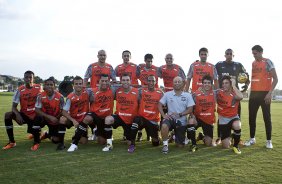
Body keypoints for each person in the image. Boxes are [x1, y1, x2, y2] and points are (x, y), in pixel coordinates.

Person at [244, 45, 278, 149]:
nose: (254, 55)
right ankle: (252, 139)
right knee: (251, 117)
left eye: (255, 53)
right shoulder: (253, 63)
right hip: (254, 94)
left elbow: (275, 79)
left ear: (261, 52)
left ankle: (269, 141)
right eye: (253, 53)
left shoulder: (268, 62)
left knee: (267, 118)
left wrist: (269, 93)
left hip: (265, 94)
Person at [215, 49, 250, 144]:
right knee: (221, 115)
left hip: (234, 95)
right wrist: (217, 89)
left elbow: (246, 76)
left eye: (231, 54)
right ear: (224, 55)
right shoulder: (219, 64)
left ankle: (236, 137)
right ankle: (220, 137)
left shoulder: (238, 65)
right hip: (222, 94)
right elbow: (213, 75)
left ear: (233, 55)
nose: (229, 55)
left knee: (237, 116)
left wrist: (246, 86)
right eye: (227, 54)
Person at [3, 70, 42, 150]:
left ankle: (37, 141)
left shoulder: (39, 88)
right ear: (24, 78)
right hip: (25, 115)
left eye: (30, 77)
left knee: (36, 130)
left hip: (36, 115)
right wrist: (18, 115)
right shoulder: (20, 90)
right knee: (8, 115)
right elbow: (14, 107)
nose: (28, 79)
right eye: (26, 77)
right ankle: (12, 142)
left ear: (33, 79)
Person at [103, 73, 140, 152]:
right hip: (120, 117)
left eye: (127, 80)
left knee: (129, 142)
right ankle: (109, 145)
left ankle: (131, 141)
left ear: (130, 81)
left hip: (131, 120)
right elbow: (105, 88)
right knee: (108, 119)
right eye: (123, 80)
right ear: (120, 81)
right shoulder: (117, 91)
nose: (125, 82)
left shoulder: (137, 92)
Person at [158, 76, 195, 154]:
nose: (177, 83)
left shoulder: (187, 95)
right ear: (173, 84)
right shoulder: (167, 94)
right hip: (170, 119)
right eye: (175, 82)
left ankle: (175, 136)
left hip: (182, 121)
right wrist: (164, 115)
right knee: (164, 125)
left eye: (179, 82)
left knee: (180, 146)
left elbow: (190, 109)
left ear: (182, 84)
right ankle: (165, 145)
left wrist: (180, 114)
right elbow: (159, 104)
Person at [128, 75, 163, 153]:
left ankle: (158, 137)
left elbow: (165, 104)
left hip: (153, 120)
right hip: (142, 118)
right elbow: (130, 90)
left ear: (155, 82)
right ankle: (132, 144)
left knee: (156, 143)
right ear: (146, 82)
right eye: (149, 81)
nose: (151, 83)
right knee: (136, 120)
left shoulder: (160, 92)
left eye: (153, 81)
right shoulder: (141, 91)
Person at [59, 76, 93, 152]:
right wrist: (73, 120)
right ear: (73, 85)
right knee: (62, 119)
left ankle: (77, 135)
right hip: (73, 119)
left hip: (83, 120)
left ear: (83, 84)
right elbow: (63, 111)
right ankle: (61, 143)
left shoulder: (87, 92)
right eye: (76, 83)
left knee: (84, 142)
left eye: (80, 83)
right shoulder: (70, 97)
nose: (78, 85)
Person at [82, 74, 115, 149]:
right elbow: (81, 92)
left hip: (105, 119)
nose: (104, 83)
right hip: (95, 116)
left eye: (106, 81)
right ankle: (82, 134)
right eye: (102, 81)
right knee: (87, 118)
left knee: (101, 142)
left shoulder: (112, 90)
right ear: (98, 82)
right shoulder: (92, 91)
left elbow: (124, 85)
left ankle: (96, 131)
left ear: (108, 82)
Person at [34, 77, 66, 150]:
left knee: (56, 140)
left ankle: (47, 134)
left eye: (51, 85)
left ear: (54, 86)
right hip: (45, 118)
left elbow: (63, 111)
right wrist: (49, 117)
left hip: (55, 120)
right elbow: (37, 109)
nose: (49, 86)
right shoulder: (40, 95)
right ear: (44, 86)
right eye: (47, 84)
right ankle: (36, 141)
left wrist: (57, 118)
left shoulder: (60, 97)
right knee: (37, 118)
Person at [217, 75, 243, 154]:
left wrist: (234, 85)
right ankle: (231, 136)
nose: (224, 85)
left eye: (227, 83)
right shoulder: (219, 92)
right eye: (223, 83)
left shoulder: (234, 94)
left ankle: (236, 146)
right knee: (225, 146)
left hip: (233, 117)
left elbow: (241, 96)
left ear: (230, 84)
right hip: (223, 119)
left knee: (237, 125)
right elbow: (209, 92)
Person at [191, 75, 216, 147]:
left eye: (209, 83)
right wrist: (192, 117)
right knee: (190, 124)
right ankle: (190, 138)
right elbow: (190, 107)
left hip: (208, 120)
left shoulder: (215, 93)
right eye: (205, 83)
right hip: (197, 118)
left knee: (209, 144)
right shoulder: (195, 94)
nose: (207, 84)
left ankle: (202, 137)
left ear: (211, 84)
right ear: (202, 84)